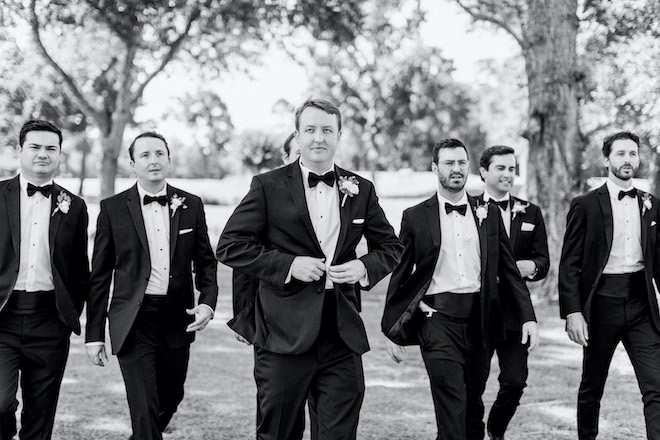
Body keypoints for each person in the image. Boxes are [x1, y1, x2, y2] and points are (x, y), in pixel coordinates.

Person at [217, 99, 403, 440]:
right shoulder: (267, 185)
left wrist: (363, 266)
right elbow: (230, 245)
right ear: (298, 135)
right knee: (279, 433)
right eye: (311, 130)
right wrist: (289, 265)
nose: (319, 138)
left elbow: (392, 247)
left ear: (339, 136)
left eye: (327, 130)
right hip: (283, 334)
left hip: (341, 332)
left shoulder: (361, 189)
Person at [381, 138, 538, 440]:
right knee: (451, 404)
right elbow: (401, 273)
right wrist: (393, 327)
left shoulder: (488, 213)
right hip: (436, 322)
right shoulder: (415, 216)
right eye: (449, 163)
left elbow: (508, 269)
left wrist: (528, 317)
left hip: (480, 321)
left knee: (472, 407)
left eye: (462, 162)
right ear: (435, 167)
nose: (457, 169)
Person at [85, 131, 218, 440]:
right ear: (132, 163)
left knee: (170, 397)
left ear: (169, 159)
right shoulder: (112, 209)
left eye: (159, 153)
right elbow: (100, 276)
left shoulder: (192, 205)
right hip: (133, 320)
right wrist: (94, 334)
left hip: (177, 318)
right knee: (144, 406)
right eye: (144, 155)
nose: (153, 160)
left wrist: (208, 302)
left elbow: (206, 262)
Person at [559, 131, 660, 440]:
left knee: (656, 385)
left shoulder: (652, 204)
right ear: (606, 160)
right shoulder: (585, 205)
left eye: (632, 153)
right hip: (601, 304)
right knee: (592, 386)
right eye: (620, 154)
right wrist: (573, 313)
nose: (627, 159)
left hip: (641, 304)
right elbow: (569, 264)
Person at [0, 120, 90, 440]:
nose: (43, 154)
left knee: (41, 413)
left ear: (60, 154)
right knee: (0, 402)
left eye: (51, 148)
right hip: (3, 317)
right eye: (35, 147)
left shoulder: (74, 206)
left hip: (50, 319)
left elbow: (80, 269)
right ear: (20, 150)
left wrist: (68, 316)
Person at [473, 145, 549, 440]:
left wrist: (524, 265)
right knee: (474, 382)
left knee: (515, 381)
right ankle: (473, 431)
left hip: (515, 310)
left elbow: (543, 262)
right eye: (501, 168)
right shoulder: (468, 207)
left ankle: (496, 429)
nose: (507, 174)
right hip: (477, 308)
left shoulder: (531, 212)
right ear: (483, 171)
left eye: (511, 169)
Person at [231, 131, 300, 346]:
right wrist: (244, 315)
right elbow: (243, 250)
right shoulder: (266, 191)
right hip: (276, 309)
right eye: (298, 153)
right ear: (286, 158)